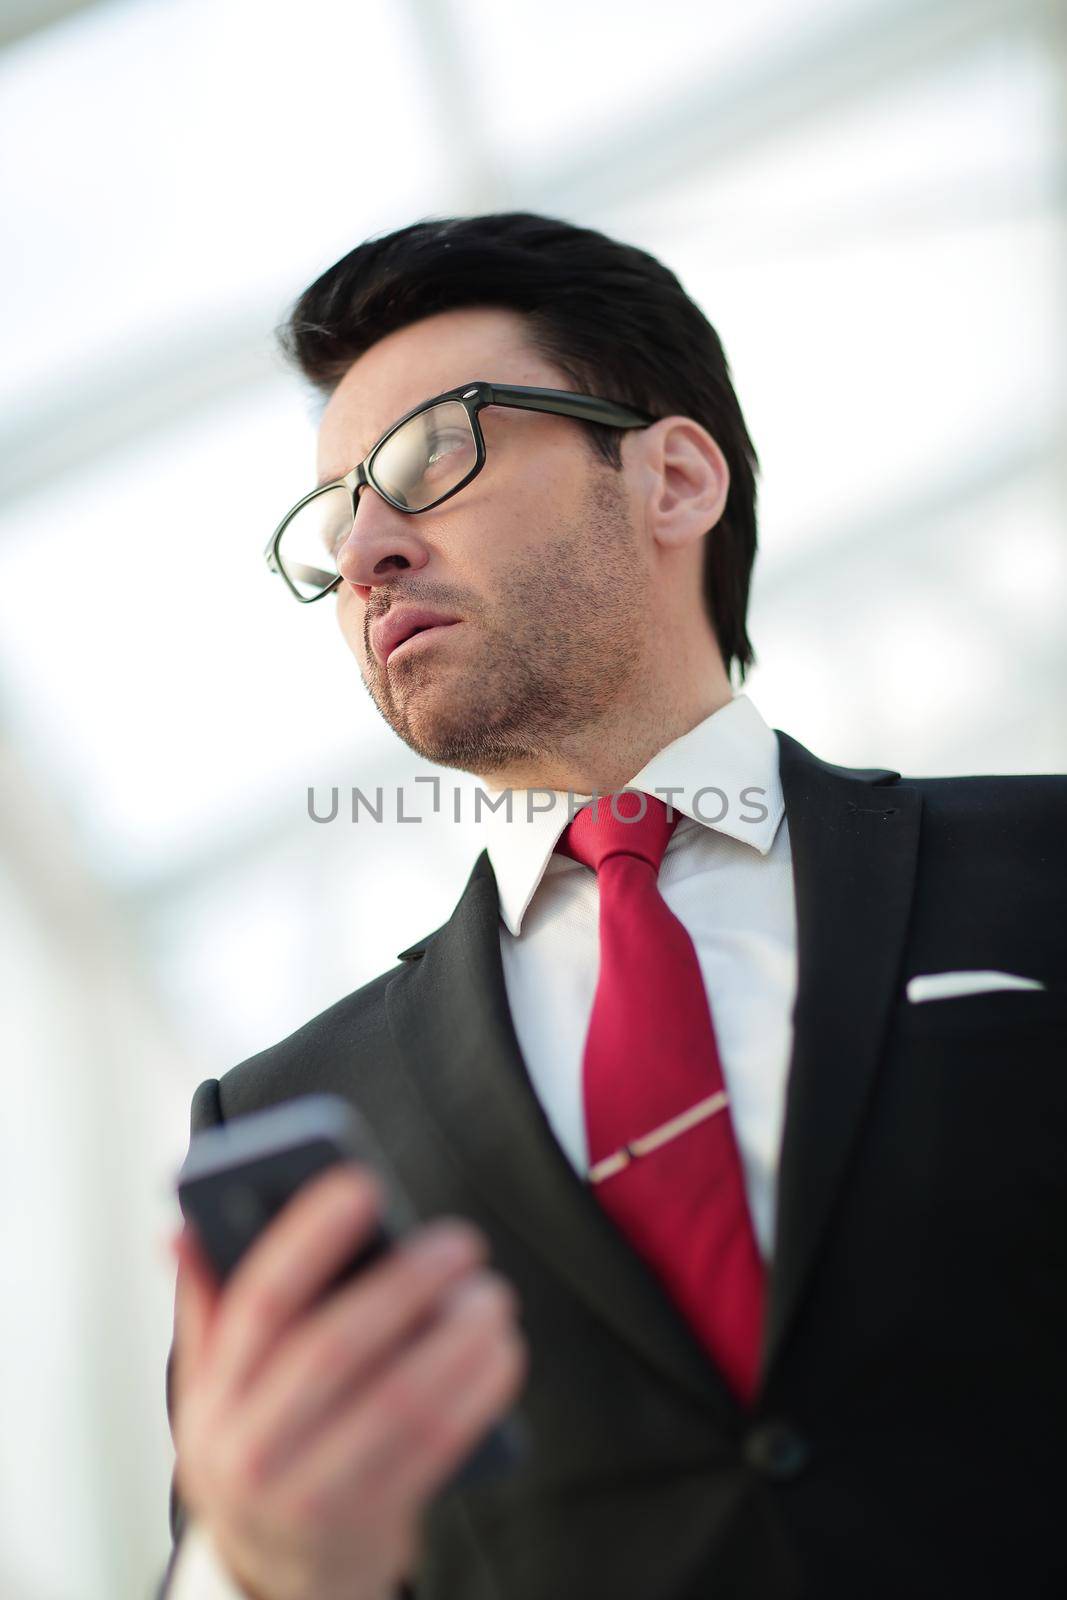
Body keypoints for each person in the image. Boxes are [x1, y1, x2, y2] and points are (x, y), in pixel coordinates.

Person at [160, 212, 1067, 1600]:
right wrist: (254, 1568)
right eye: (338, 519)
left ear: (676, 477)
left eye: (429, 459)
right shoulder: (286, 1119)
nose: (367, 555)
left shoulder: (1045, 859)